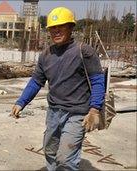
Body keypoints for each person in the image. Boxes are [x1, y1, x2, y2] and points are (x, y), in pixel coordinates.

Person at [11, 7, 105, 170]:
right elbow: (36, 81)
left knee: (66, 159)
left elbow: (97, 81)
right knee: (50, 151)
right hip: (54, 112)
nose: (56, 31)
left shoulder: (83, 51)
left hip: (77, 113)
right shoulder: (46, 54)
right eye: (52, 28)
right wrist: (21, 102)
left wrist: (94, 110)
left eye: (60, 26)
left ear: (70, 27)